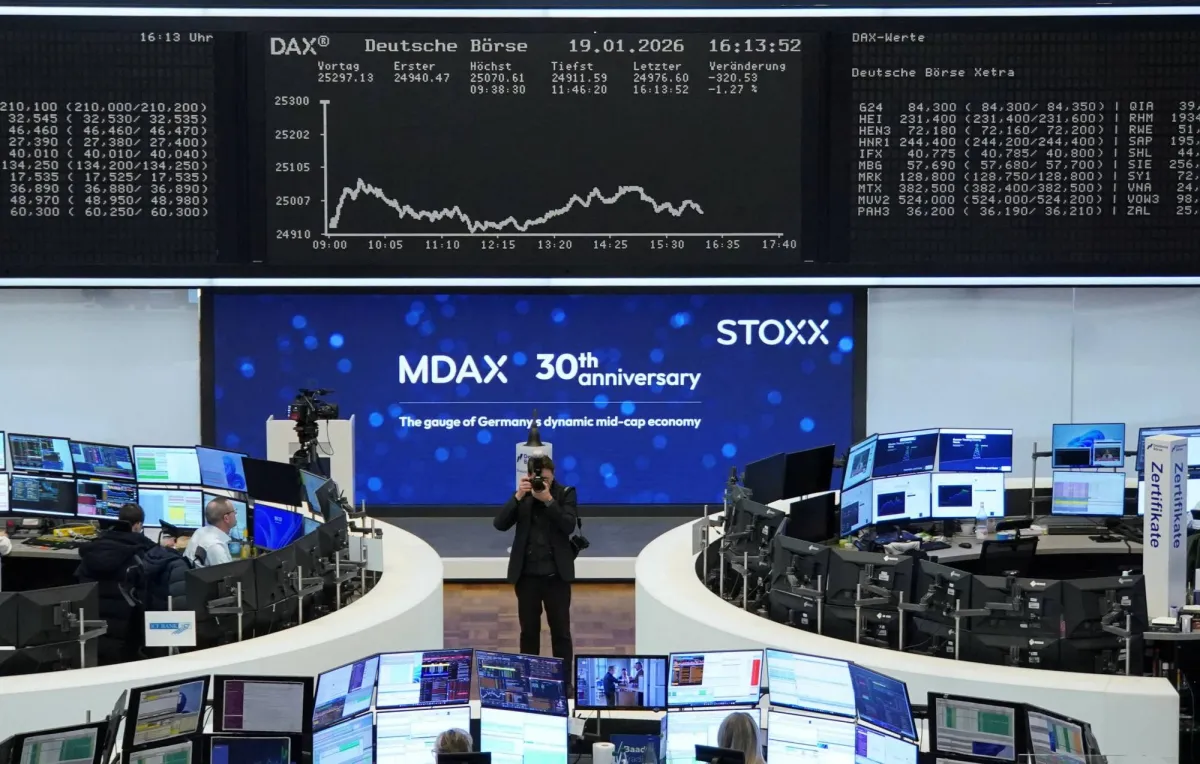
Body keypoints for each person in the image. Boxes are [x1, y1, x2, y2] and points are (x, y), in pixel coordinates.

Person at [494, 455, 578, 670]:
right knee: (528, 633)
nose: (542, 483)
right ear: (529, 476)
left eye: (547, 479)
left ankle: (564, 682)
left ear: (554, 475)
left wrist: (549, 500)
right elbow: (500, 524)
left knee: (561, 633)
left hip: (556, 577)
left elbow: (568, 525)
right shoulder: (523, 496)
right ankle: (528, 679)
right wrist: (518, 496)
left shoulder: (565, 493)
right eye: (539, 479)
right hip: (527, 578)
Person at [74, 503, 156, 663]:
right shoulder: (139, 554)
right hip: (125, 637)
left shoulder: (93, 549)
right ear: (137, 525)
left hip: (91, 632)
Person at [185, 497, 237, 567]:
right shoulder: (216, 546)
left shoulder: (200, 531)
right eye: (234, 511)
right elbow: (227, 572)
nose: (235, 514)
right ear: (226, 518)